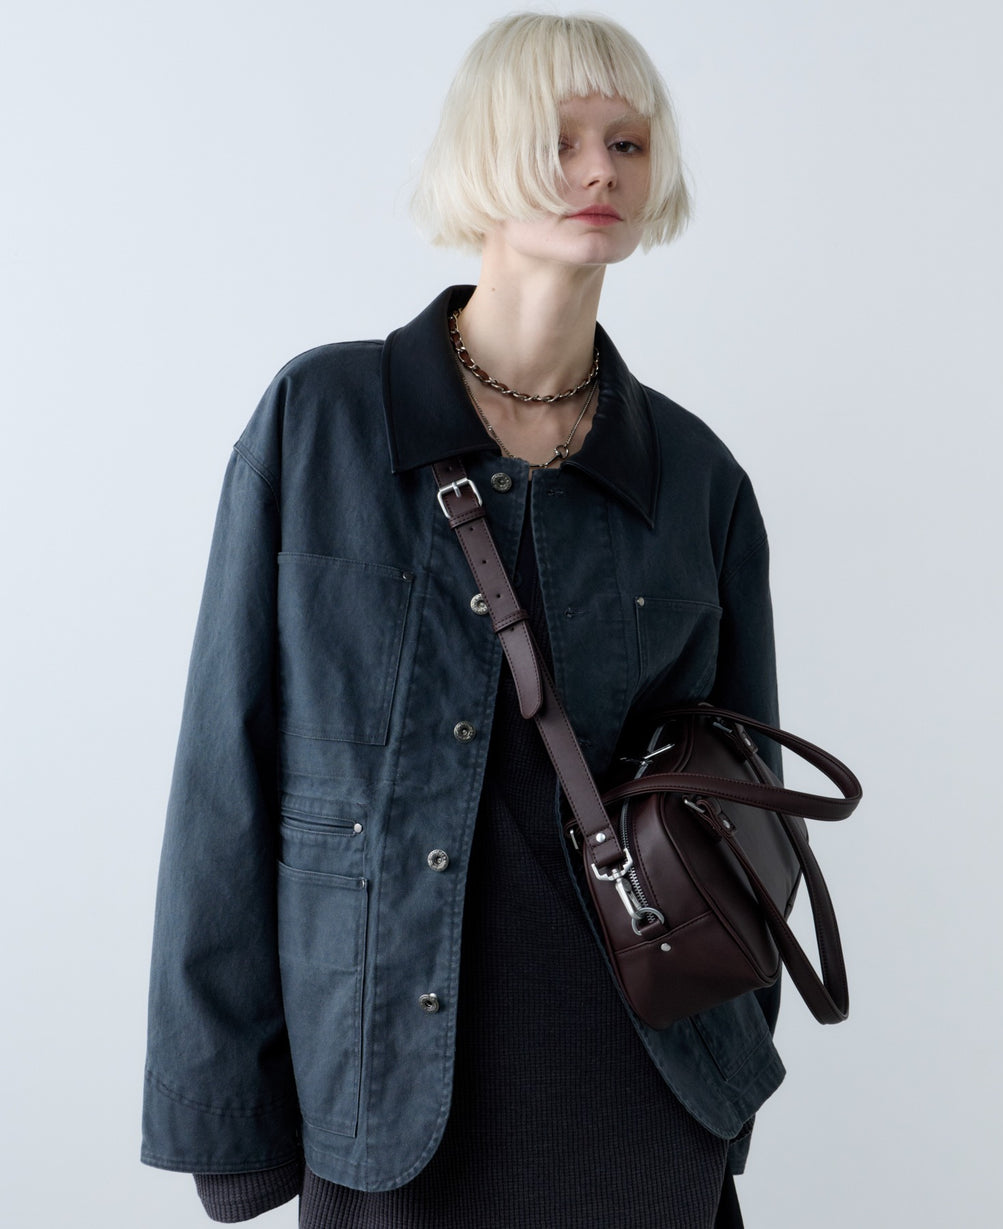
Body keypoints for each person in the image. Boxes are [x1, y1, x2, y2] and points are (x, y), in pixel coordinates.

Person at [142, 13, 786, 1228]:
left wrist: (733, 1071)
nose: (599, 171)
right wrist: (224, 1113)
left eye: (627, 143)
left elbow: (747, 814)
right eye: (559, 139)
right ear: (483, 151)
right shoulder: (323, 421)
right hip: (390, 1087)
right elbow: (226, 778)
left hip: (646, 1092)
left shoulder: (695, 479)